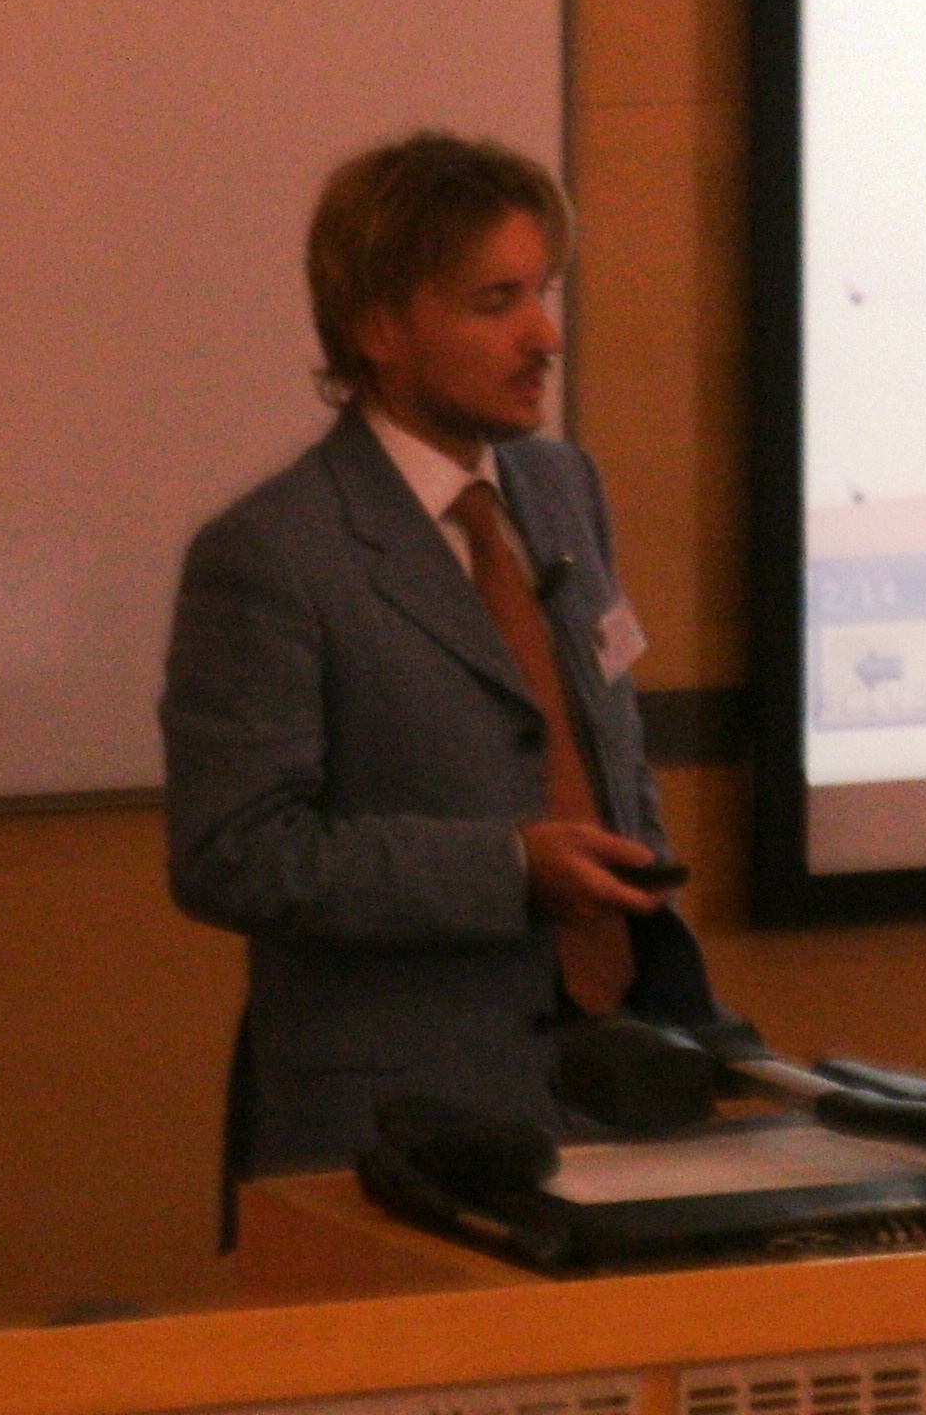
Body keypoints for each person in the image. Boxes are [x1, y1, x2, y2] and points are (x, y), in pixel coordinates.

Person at [161, 132, 705, 1200]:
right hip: (397, 1129)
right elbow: (235, 854)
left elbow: (605, 745)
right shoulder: (272, 555)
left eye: (545, 292)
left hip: (618, 1082)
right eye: (497, 302)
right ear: (378, 328)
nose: (546, 336)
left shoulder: (562, 490)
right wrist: (507, 870)